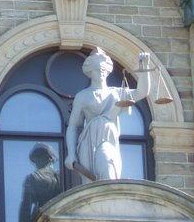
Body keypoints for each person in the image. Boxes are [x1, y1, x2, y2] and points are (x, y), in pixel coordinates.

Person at [65, 47, 153, 181]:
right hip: (87, 140)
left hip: (107, 138)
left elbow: (142, 92)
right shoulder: (82, 96)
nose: (101, 72)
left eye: (103, 69)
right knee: (89, 186)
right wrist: (71, 154)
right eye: (97, 69)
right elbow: (73, 126)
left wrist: (145, 67)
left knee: (108, 166)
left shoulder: (117, 93)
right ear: (90, 71)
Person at [18, 143, 61, 222]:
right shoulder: (61, 176)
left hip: (42, 216)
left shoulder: (33, 177)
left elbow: (25, 207)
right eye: (35, 159)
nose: (36, 161)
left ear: (49, 158)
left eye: (38, 157)